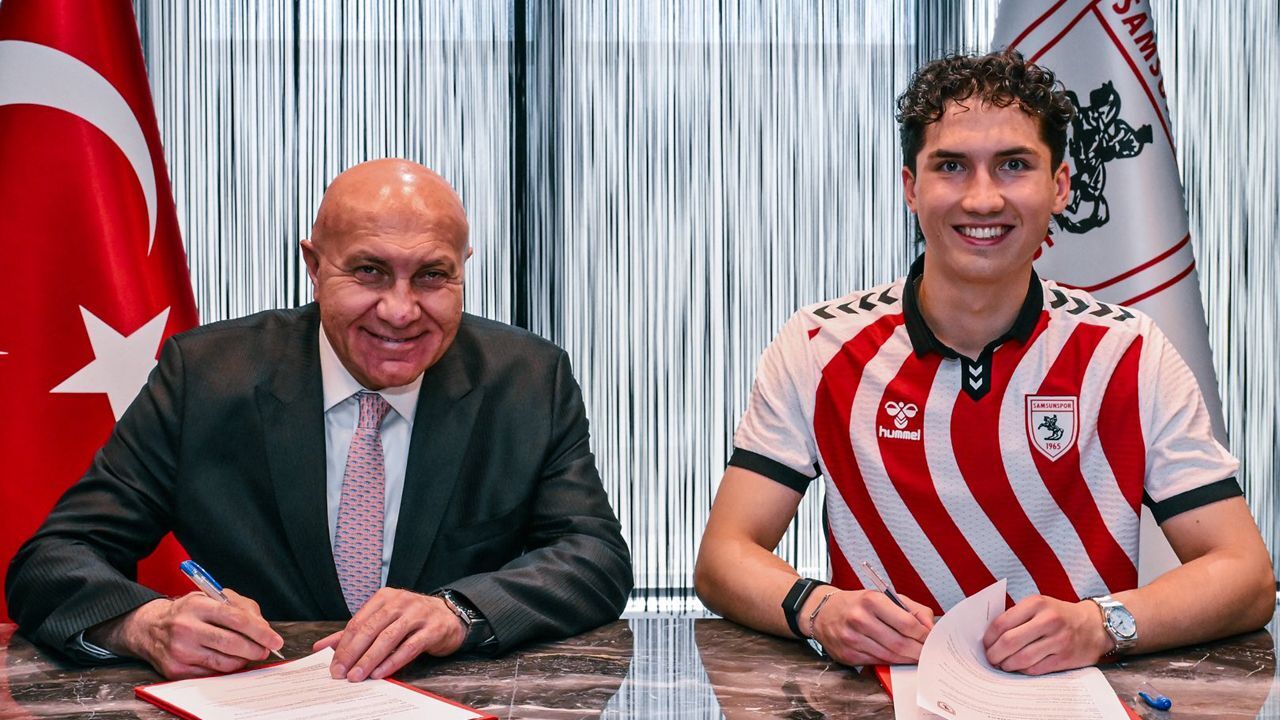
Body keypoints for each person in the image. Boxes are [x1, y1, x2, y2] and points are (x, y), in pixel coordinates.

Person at [694, 50, 1274, 676]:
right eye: (951, 166)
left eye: (1014, 165)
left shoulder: (1129, 352)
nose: (982, 198)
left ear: (1061, 186)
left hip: (1075, 699)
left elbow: (1245, 576)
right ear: (911, 188)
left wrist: (1100, 625)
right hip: (882, 701)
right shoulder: (818, 344)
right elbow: (724, 555)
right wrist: (818, 608)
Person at [6, 159, 633, 681]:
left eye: (432, 276)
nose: (400, 310)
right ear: (313, 265)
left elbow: (594, 557)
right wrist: (144, 625)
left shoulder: (527, 380)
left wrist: (459, 612)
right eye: (369, 271)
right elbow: (54, 560)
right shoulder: (205, 376)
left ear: (463, 268)